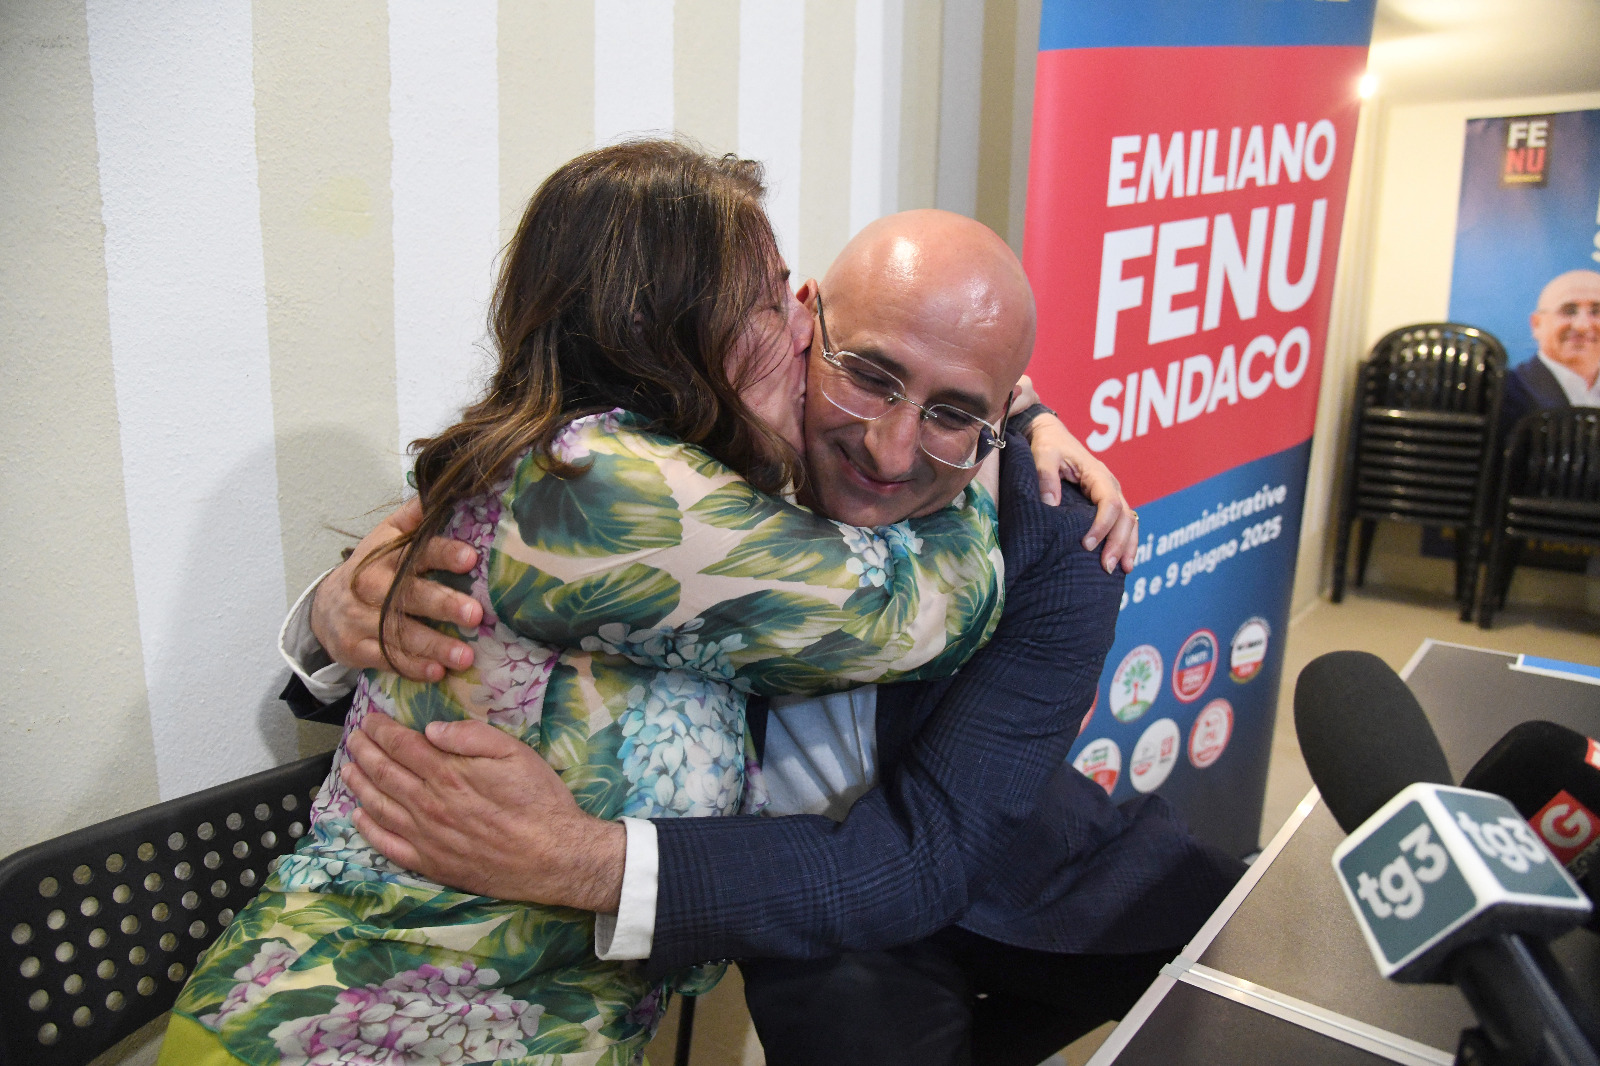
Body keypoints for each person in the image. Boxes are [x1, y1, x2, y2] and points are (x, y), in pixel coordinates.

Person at [304, 210, 1242, 1066]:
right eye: (869, 377)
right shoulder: (701, 455)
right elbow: (496, 533)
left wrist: (585, 858)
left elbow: (931, 857)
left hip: (1029, 880)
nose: (889, 450)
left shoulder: (1063, 539)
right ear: (804, 325)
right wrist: (336, 608)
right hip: (796, 899)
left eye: (955, 414)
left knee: (1247, 979)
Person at [162, 142, 1014, 1066]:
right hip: (339, 1030)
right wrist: (993, 437)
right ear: (666, 328)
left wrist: (986, 412)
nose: (803, 329)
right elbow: (914, 613)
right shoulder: (600, 485)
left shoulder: (633, 474)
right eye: (771, 303)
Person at [1501, 268, 1600, 435]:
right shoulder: (1506, 392)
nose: (1582, 325)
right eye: (1569, 311)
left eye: (1597, 312)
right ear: (1537, 324)